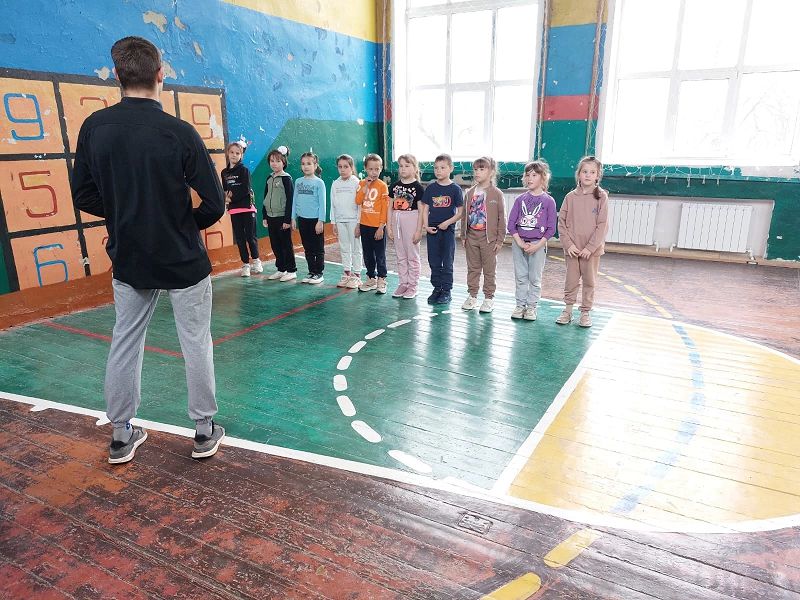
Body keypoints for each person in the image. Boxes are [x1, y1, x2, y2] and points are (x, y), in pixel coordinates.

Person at [71, 36, 226, 464]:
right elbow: (214, 203)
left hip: (130, 255)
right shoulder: (179, 132)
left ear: (117, 76)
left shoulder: (94, 128)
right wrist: (177, 224)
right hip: (183, 258)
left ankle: (121, 434)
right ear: (161, 75)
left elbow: (84, 195)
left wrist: (128, 218)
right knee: (195, 341)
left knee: (125, 340)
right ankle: (204, 429)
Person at [556, 155, 609, 328]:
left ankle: (585, 312)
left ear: (597, 176)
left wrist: (590, 248)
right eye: (584, 171)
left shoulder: (602, 197)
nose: (588, 175)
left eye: (592, 172)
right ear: (579, 174)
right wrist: (569, 245)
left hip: (591, 252)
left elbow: (602, 225)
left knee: (589, 281)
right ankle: (568, 311)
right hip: (572, 250)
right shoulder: (570, 197)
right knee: (571, 281)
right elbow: (561, 223)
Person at [507, 160, 557, 320]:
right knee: (521, 277)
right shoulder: (520, 199)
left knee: (535, 278)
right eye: (527, 175)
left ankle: (531, 308)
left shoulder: (549, 201)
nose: (530, 178)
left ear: (543, 177)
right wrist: (520, 242)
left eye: (534, 175)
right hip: (519, 243)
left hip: (538, 244)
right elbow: (511, 225)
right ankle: (520, 306)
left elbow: (551, 229)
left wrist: (538, 246)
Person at [460, 156, 505, 313]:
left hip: (489, 239)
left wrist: (499, 240)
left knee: (489, 270)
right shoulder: (470, 193)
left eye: (482, 169)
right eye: (475, 169)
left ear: (491, 172)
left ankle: (488, 298)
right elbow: (464, 215)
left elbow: (501, 218)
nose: (477, 172)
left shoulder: (496, 194)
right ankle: (472, 296)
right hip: (471, 237)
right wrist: (463, 235)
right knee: (473, 268)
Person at [420, 154, 463, 305]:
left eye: (442, 167)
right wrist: (426, 226)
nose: (438, 171)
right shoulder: (431, 188)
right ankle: (437, 288)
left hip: (447, 231)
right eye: (436, 168)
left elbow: (460, 212)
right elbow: (425, 209)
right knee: (434, 261)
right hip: (432, 231)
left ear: (450, 168)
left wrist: (447, 223)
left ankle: (446, 291)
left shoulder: (455, 189)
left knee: (447, 261)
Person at [222, 139, 261, 277]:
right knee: (239, 238)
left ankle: (256, 260)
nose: (234, 155)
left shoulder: (244, 170)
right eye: (232, 152)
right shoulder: (224, 172)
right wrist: (226, 201)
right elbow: (225, 191)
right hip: (234, 209)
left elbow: (245, 189)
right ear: (227, 153)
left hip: (247, 208)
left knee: (250, 237)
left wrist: (230, 198)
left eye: (237, 153)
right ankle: (245, 264)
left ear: (241, 155)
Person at [387, 153, 424, 299]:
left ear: (415, 168)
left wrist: (419, 230)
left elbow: (421, 211)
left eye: (407, 166)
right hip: (397, 220)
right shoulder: (394, 186)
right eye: (401, 166)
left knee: (412, 255)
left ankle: (413, 285)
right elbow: (390, 208)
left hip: (411, 220)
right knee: (400, 255)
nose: (403, 169)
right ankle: (403, 283)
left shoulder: (418, 188)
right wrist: (389, 226)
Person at [355, 153, 390, 294]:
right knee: (368, 254)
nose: (374, 172)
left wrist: (381, 226)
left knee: (380, 254)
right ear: (365, 169)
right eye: (370, 169)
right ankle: (371, 278)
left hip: (377, 226)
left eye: (377, 169)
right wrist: (365, 187)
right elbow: (358, 201)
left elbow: (385, 208)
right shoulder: (361, 183)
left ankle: (382, 279)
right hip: (365, 225)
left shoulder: (382, 186)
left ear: (381, 169)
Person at [262, 146, 297, 281]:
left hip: (282, 217)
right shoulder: (269, 178)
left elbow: (290, 199)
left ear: (284, 162)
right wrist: (265, 216)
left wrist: (287, 219)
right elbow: (265, 197)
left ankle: (291, 270)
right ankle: (281, 269)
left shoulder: (286, 179)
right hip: (271, 217)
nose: (274, 164)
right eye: (272, 161)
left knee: (286, 245)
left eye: (278, 161)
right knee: (275, 244)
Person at [292, 152, 327, 284]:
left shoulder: (319, 183)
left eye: (309, 163)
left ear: (315, 165)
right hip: (302, 220)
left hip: (315, 220)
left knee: (318, 248)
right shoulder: (298, 181)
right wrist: (293, 217)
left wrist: (320, 221)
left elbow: (322, 203)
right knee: (307, 247)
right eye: (303, 164)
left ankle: (319, 273)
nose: (305, 166)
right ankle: (311, 271)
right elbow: (295, 200)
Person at [330, 154, 363, 288]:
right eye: (340, 167)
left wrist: (359, 223)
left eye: (346, 167)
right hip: (340, 221)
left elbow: (360, 205)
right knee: (344, 247)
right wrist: (334, 222)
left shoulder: (357, 183)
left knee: (356, 248)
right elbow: (333, 204)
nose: (342, 169)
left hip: (354, 221)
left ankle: (357, 275)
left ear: (351, 167)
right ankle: (347, 272)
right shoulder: (335, 184)